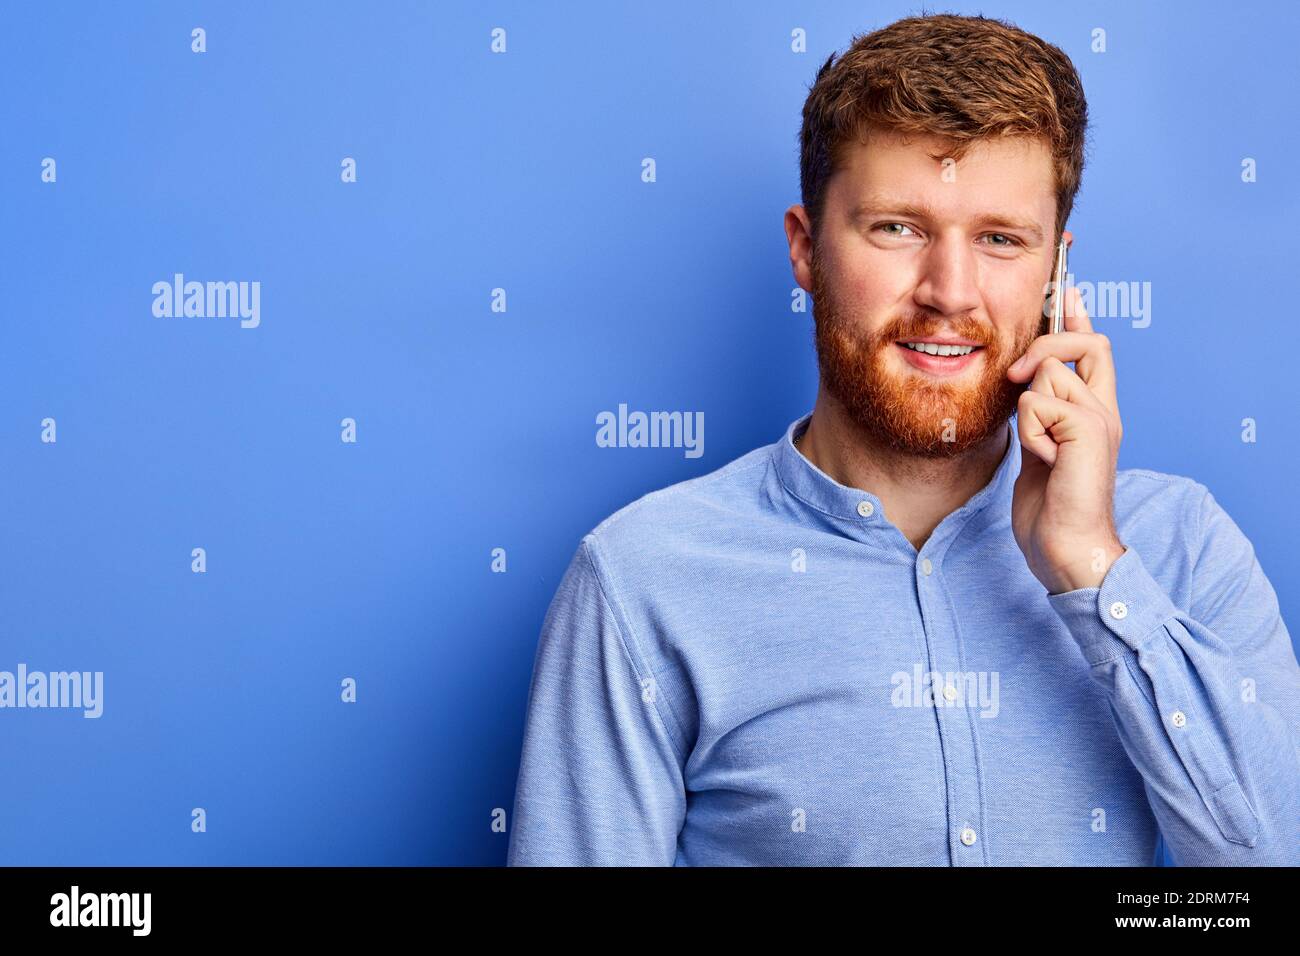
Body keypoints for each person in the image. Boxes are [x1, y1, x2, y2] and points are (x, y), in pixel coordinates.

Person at [505, 12, 1300, 866]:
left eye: (1000, 239)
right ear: (806, 249)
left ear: (1055, 274)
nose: (950, 293)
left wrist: (1091, 569)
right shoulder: (643, 579)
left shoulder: (1182, 549)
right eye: (898, 228)